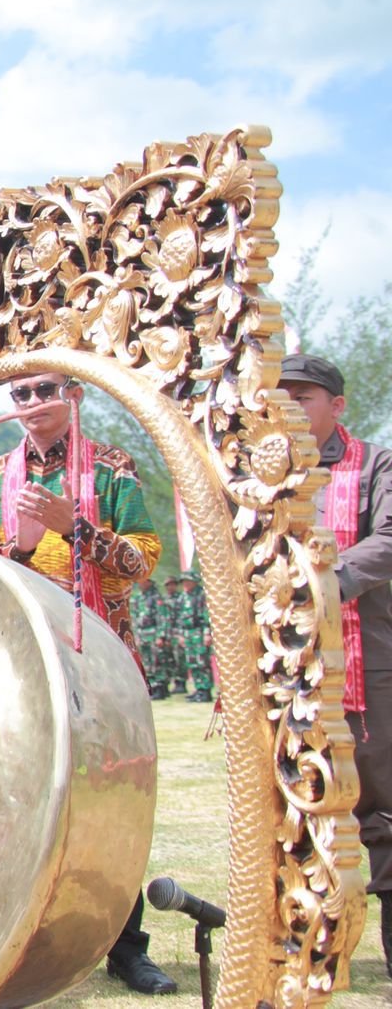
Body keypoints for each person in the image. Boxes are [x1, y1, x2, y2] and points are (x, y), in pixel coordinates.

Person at [0, 372, 173, 996]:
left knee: (108, 801)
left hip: (98, 657)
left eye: (44, 390)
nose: (31, 404)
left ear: (74, 395)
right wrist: (20, 553)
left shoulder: (111, 469)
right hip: (20, 662)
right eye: (20, 394)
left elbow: (143, 560)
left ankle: (125, 946)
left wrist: (71, 525)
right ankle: (11, 941)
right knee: (10, 798)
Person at [277, 353, 392, 978]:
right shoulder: (262, 472)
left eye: (305, 398)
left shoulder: (376, 464)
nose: (291, 409)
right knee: (298, 803)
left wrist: (327, 580)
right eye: (282, 397)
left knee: (378, 805)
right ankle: (310, 944)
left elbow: (391, 536)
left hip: (363, 657)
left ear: (336, 406)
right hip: (282, 664)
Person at [175, 572, 213, 702]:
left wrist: (207, 633)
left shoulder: (202, 595)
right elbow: (179, 618)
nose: (185, 584)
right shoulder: (182, 597)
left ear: (195, 582)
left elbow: (206, 616)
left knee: (202, 662)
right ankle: (198, 689)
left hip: (199, 632)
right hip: (187, 633)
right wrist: (180, 635)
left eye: (188, 581)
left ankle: (205, 690)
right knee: (192, 663)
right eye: (184, 581)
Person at [130, 578, 170, 700]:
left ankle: (160, 687)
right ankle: (152, 686)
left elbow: (162, 617)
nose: (140, 583)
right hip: (142, 634)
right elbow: (135, 617)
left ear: (150, 582)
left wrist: (161, 635)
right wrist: (135, 635)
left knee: (156, 661)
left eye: (144, 581)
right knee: (146, 662)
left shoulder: (156, 597)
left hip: (153, 632)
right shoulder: (138, 598)